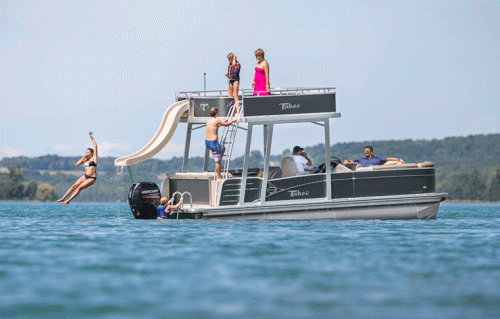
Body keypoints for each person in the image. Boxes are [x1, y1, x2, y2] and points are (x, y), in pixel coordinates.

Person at [57, 132, 98, 204]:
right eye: (86, 152)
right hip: (85, 176)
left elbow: (95, 146)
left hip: (92, 178)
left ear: (91, 153)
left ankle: (68, 201)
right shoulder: (85, 159)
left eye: (88, 152)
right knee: (74, 186)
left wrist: (92, 138)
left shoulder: (94, 158)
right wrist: (84, 157)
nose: (86, 153)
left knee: (79, 188)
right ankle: (63, 198)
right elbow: (77, 164)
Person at [206, 107, 238, 179]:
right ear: (216, 113)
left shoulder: (208, 120)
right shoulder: (217, 120)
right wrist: (233, 120)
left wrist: (223, 121)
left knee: (223, 148)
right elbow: (226, 124)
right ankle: (219, 177)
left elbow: (214, 126)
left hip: (207, 142)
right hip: (213, 143)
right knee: (217, 162)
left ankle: (219, 162)